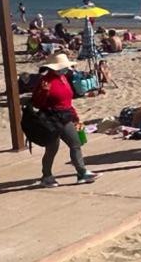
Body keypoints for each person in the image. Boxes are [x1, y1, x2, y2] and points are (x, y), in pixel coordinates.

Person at [31, 54, 98, 187]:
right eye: (63, 67)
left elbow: (67, 100)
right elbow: (36, 103)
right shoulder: (45, 81)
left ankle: (82, 172)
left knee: (75, 143)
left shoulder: (63, 78)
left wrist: (75, 116)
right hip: (51, 119)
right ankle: (47, 176)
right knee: (52, 149)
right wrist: (44, 92)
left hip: (65, 116)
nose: (65, 69)